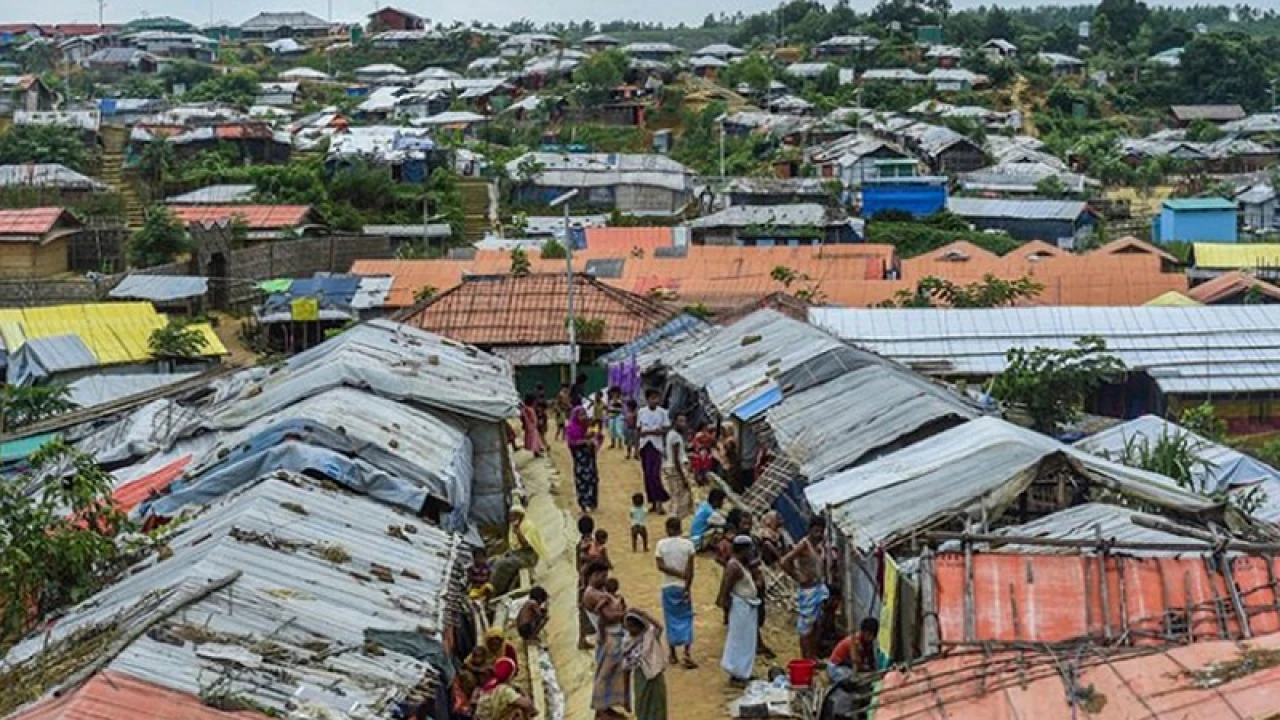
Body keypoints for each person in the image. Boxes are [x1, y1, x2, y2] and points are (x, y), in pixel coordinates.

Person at [583, 561, 632, 719]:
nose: (605, 579)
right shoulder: (592, 594)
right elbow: (608, 617)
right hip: (609, 637)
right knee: (605, 673)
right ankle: (600, 708)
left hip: (613, 636)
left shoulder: (599, 591)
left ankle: (606, 706)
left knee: (613, 673)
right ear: (594, 575)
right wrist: (625, 615)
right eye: (603, 576)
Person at [781, 516, 831, 660]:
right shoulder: (804, 545)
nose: (819, 535)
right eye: (816, 531)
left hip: (818, 588)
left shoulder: (819, 546)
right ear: (810, 530)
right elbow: (784, 561)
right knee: (806, 629)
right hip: (808, 590)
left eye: (821, 532)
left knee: (815, 626)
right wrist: (798, 577)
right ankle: (805, 659)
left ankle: (812, 657)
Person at [654, 516, 697, 669]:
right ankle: (687, 653)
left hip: (668, 586)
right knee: (686, 618)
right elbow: (691, 570)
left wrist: (676, 573)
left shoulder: (661, 545)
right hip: (683, 586)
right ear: (680, 529)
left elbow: (660, 566)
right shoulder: (688, 545)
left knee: (670, 619)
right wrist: (687, 586)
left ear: (667, 529)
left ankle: (672, 654)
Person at [717, 536, 760, 686]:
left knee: (746, 640)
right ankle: (737, 673)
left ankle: (743, 672)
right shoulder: (734, 566)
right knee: (739, 640)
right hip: (741, 607)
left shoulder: (739, 564)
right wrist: (725, 606)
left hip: (746, 607)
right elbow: (726, 588)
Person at [827, 617, 888, 720]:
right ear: (864, 632)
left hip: (849, 667)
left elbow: (870, 660)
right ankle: (844, 711)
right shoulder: (855, 642)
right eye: (869, 635)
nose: (871, 638)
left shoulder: (868, 643)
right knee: (852, 683)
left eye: (873, 636)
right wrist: (868, 672)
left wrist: (874, 671)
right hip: (837, 667)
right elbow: (857, 664)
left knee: (864, 682)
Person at [623, 608, 670, 720]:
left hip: (655, 677)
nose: (630, 629)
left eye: (633, 626)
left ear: (640, 626)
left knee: (658, 707)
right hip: (640, 679)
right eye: (628, 626)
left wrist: (645, 614)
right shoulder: (626, 643)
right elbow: (626, 670)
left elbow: (659, 627)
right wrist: (626, 696)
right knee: (642, 707)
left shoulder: (650, 636)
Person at [491, 502, 545, 596]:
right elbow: (514, 546)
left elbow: (526, 545)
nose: (512, 518)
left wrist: (518, 531)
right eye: (511, 516)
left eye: (514, 516)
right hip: (517, 554)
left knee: (503, 565)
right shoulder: (512, 527)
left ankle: (497, 591)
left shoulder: (528, 526)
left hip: (528, 556)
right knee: (494, 561)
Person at [636, 389, 671, 514]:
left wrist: (652, 432)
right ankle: (652, 501)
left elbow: (666, 429)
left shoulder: (663, 413)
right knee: (647, 475)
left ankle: (660, 502)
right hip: (644, 446)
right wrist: (636, 448)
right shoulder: (642, 412)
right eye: (652, 398)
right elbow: (639, 430)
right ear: (647, 399)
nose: (654, 400)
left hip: (656, 446)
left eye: (657, 398)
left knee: (654, 475)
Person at [567, 405, 601, 514]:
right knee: (581, 482)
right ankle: (583, 505)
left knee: (592, 480)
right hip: (580, 461)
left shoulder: (589, 426)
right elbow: (571, 442)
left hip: (590, 459)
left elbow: (598, 437)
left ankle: (592, 503)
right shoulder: (572, 428)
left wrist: (594, 440)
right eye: (580, 415)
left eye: (584, 414)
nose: (583, 417)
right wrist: (583, 441)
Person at [664, 414, 693, 519]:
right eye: (680, 421)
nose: (683, 424)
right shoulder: (675, 437)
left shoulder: (670, 434)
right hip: (675, 469)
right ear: (675, 422)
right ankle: (675, 519)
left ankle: (673, 519)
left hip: (670, 467)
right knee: (679, 498)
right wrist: (683, 477)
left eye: (684, 421)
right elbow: (676, 458)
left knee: (674, 496)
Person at [577, 515, 598, 651]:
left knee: (582, 611)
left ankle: (582, 638)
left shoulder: (580, 543)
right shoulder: (591, 544)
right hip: (590, 581)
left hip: (582, 581)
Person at [534, 383, 550, 447]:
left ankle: (544, 445)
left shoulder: (538, 397)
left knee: (540, 432)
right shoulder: (541, 397)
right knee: (541, 432)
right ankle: (544, 445)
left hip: (540, 416)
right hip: (541, 416)